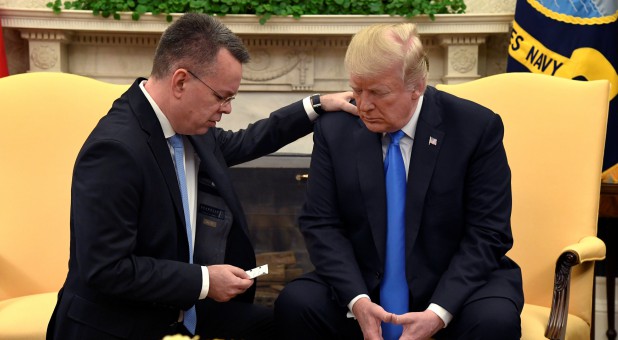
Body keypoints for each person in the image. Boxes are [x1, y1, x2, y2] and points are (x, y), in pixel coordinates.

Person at [46, 13, 355, 340]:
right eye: (222, 97)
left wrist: (317, 105)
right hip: (119, 323)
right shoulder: (115, 151)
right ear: (181, 81)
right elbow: (107, 270)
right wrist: (205, 281)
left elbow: (246, 141)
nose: (227, 109)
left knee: (284, 322)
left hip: (177, 306)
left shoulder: (187, 125)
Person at [275, 23, 524, 340]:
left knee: (494, 320)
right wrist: (358, 300)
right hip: (365, 284)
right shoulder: (335, 129)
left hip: (452, 284)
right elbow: (321, 223)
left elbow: (489, 233)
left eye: (378, 92)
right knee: (296, 304)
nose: (363, 105)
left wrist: (437, 314)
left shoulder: (475, 127)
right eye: (357, 90)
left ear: (417, 86)